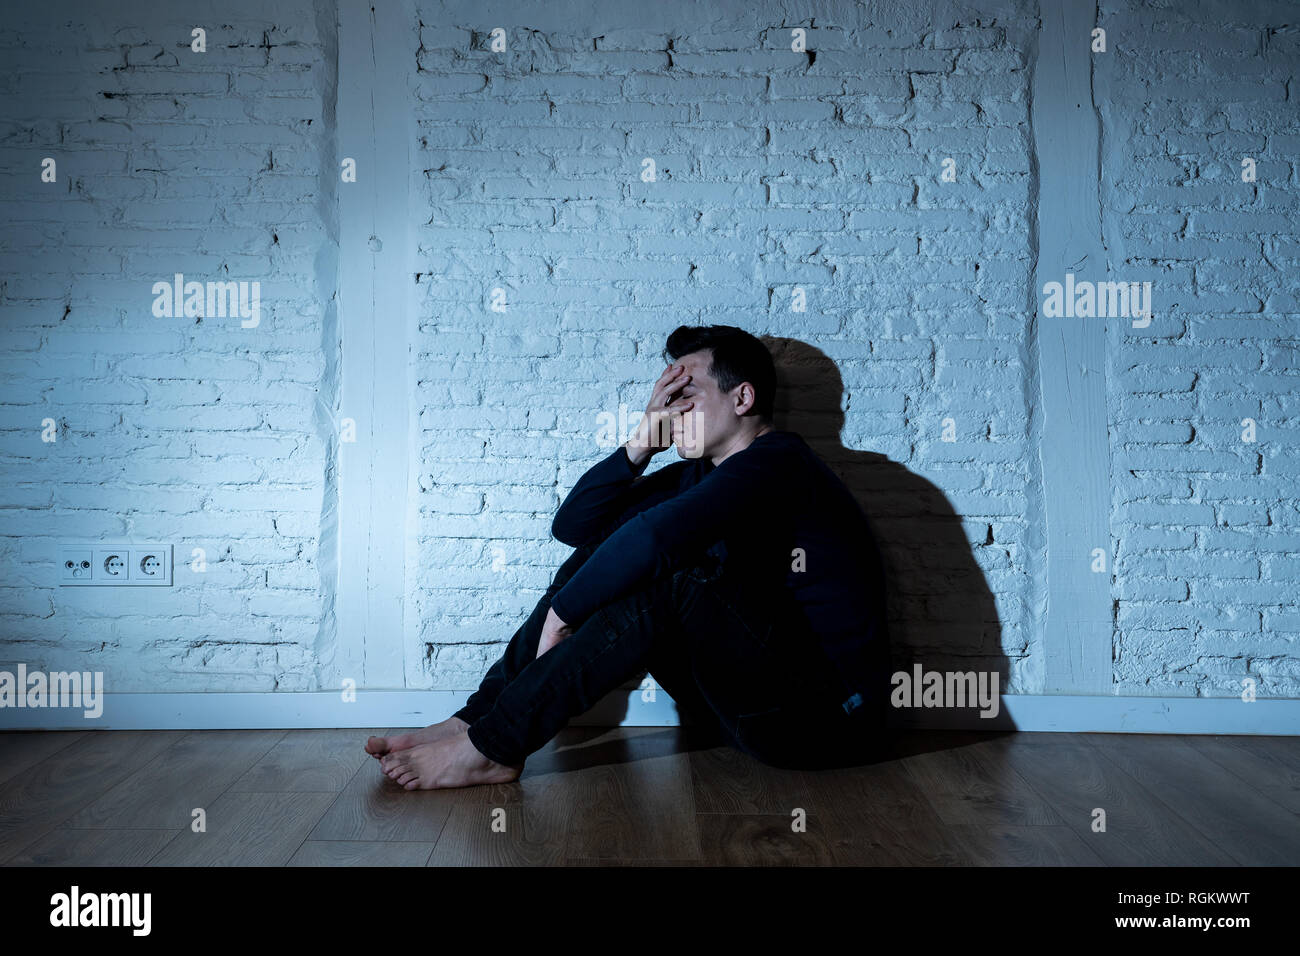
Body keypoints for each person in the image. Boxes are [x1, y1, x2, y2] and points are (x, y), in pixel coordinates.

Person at [366, 325, 892, 789]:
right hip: (740, 711)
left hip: (824, 722)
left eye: (687, 394)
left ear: (743, 397)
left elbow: (655, 540)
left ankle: (493, 749)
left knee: (668, 573)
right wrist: (643, 441)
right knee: (610, 549)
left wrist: (561, 616)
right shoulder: (701, 473)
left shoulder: (778, 464)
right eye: (667, 395)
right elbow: (576, 528)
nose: (673, 408)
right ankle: (475, 724)